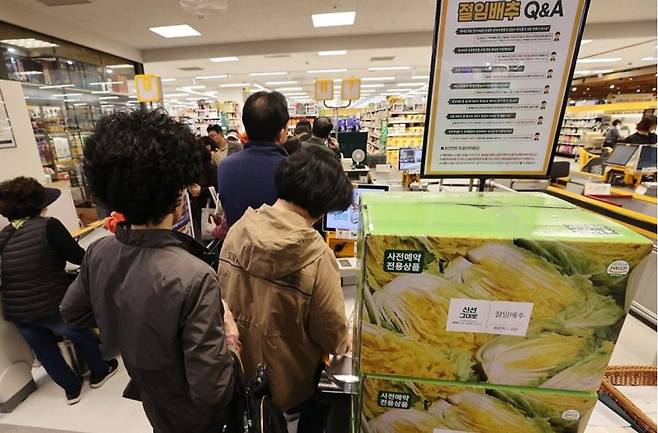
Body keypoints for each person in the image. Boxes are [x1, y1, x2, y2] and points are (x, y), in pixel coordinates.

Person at [60, 110, 236, 433]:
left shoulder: (99, 251)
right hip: (195, 415)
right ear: (176, 198)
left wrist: (126, 324)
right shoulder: (194, 276)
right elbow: (212, 390)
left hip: (151, 393)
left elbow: (71, 311)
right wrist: (232, 340)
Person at [219, 145, 353, 433]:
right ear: (322, 205)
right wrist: (348, 336)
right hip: (290, 387)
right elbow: (333, 337)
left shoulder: (238, 230)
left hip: (238, 375)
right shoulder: (316, 256)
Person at [0, 177, 116, 405]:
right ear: (37, 204)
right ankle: (99, 372)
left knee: (43, 348)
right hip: (50, 302)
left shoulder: (4, 235)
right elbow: (79, 257)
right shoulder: (48, 225)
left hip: (17, 309)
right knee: (79, 331)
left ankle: (71, 388)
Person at [217, 91, 289, 227]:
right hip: (280, 247)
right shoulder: (292, 169)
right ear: (281, 132)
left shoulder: (225, 166)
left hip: (236, 245)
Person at [189, 138, 218, 240]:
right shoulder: (191, 168)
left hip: (209, 210)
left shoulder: (210, 168)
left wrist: (202, 190)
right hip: (194, 212)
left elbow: (217, 189)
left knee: (209, 240)